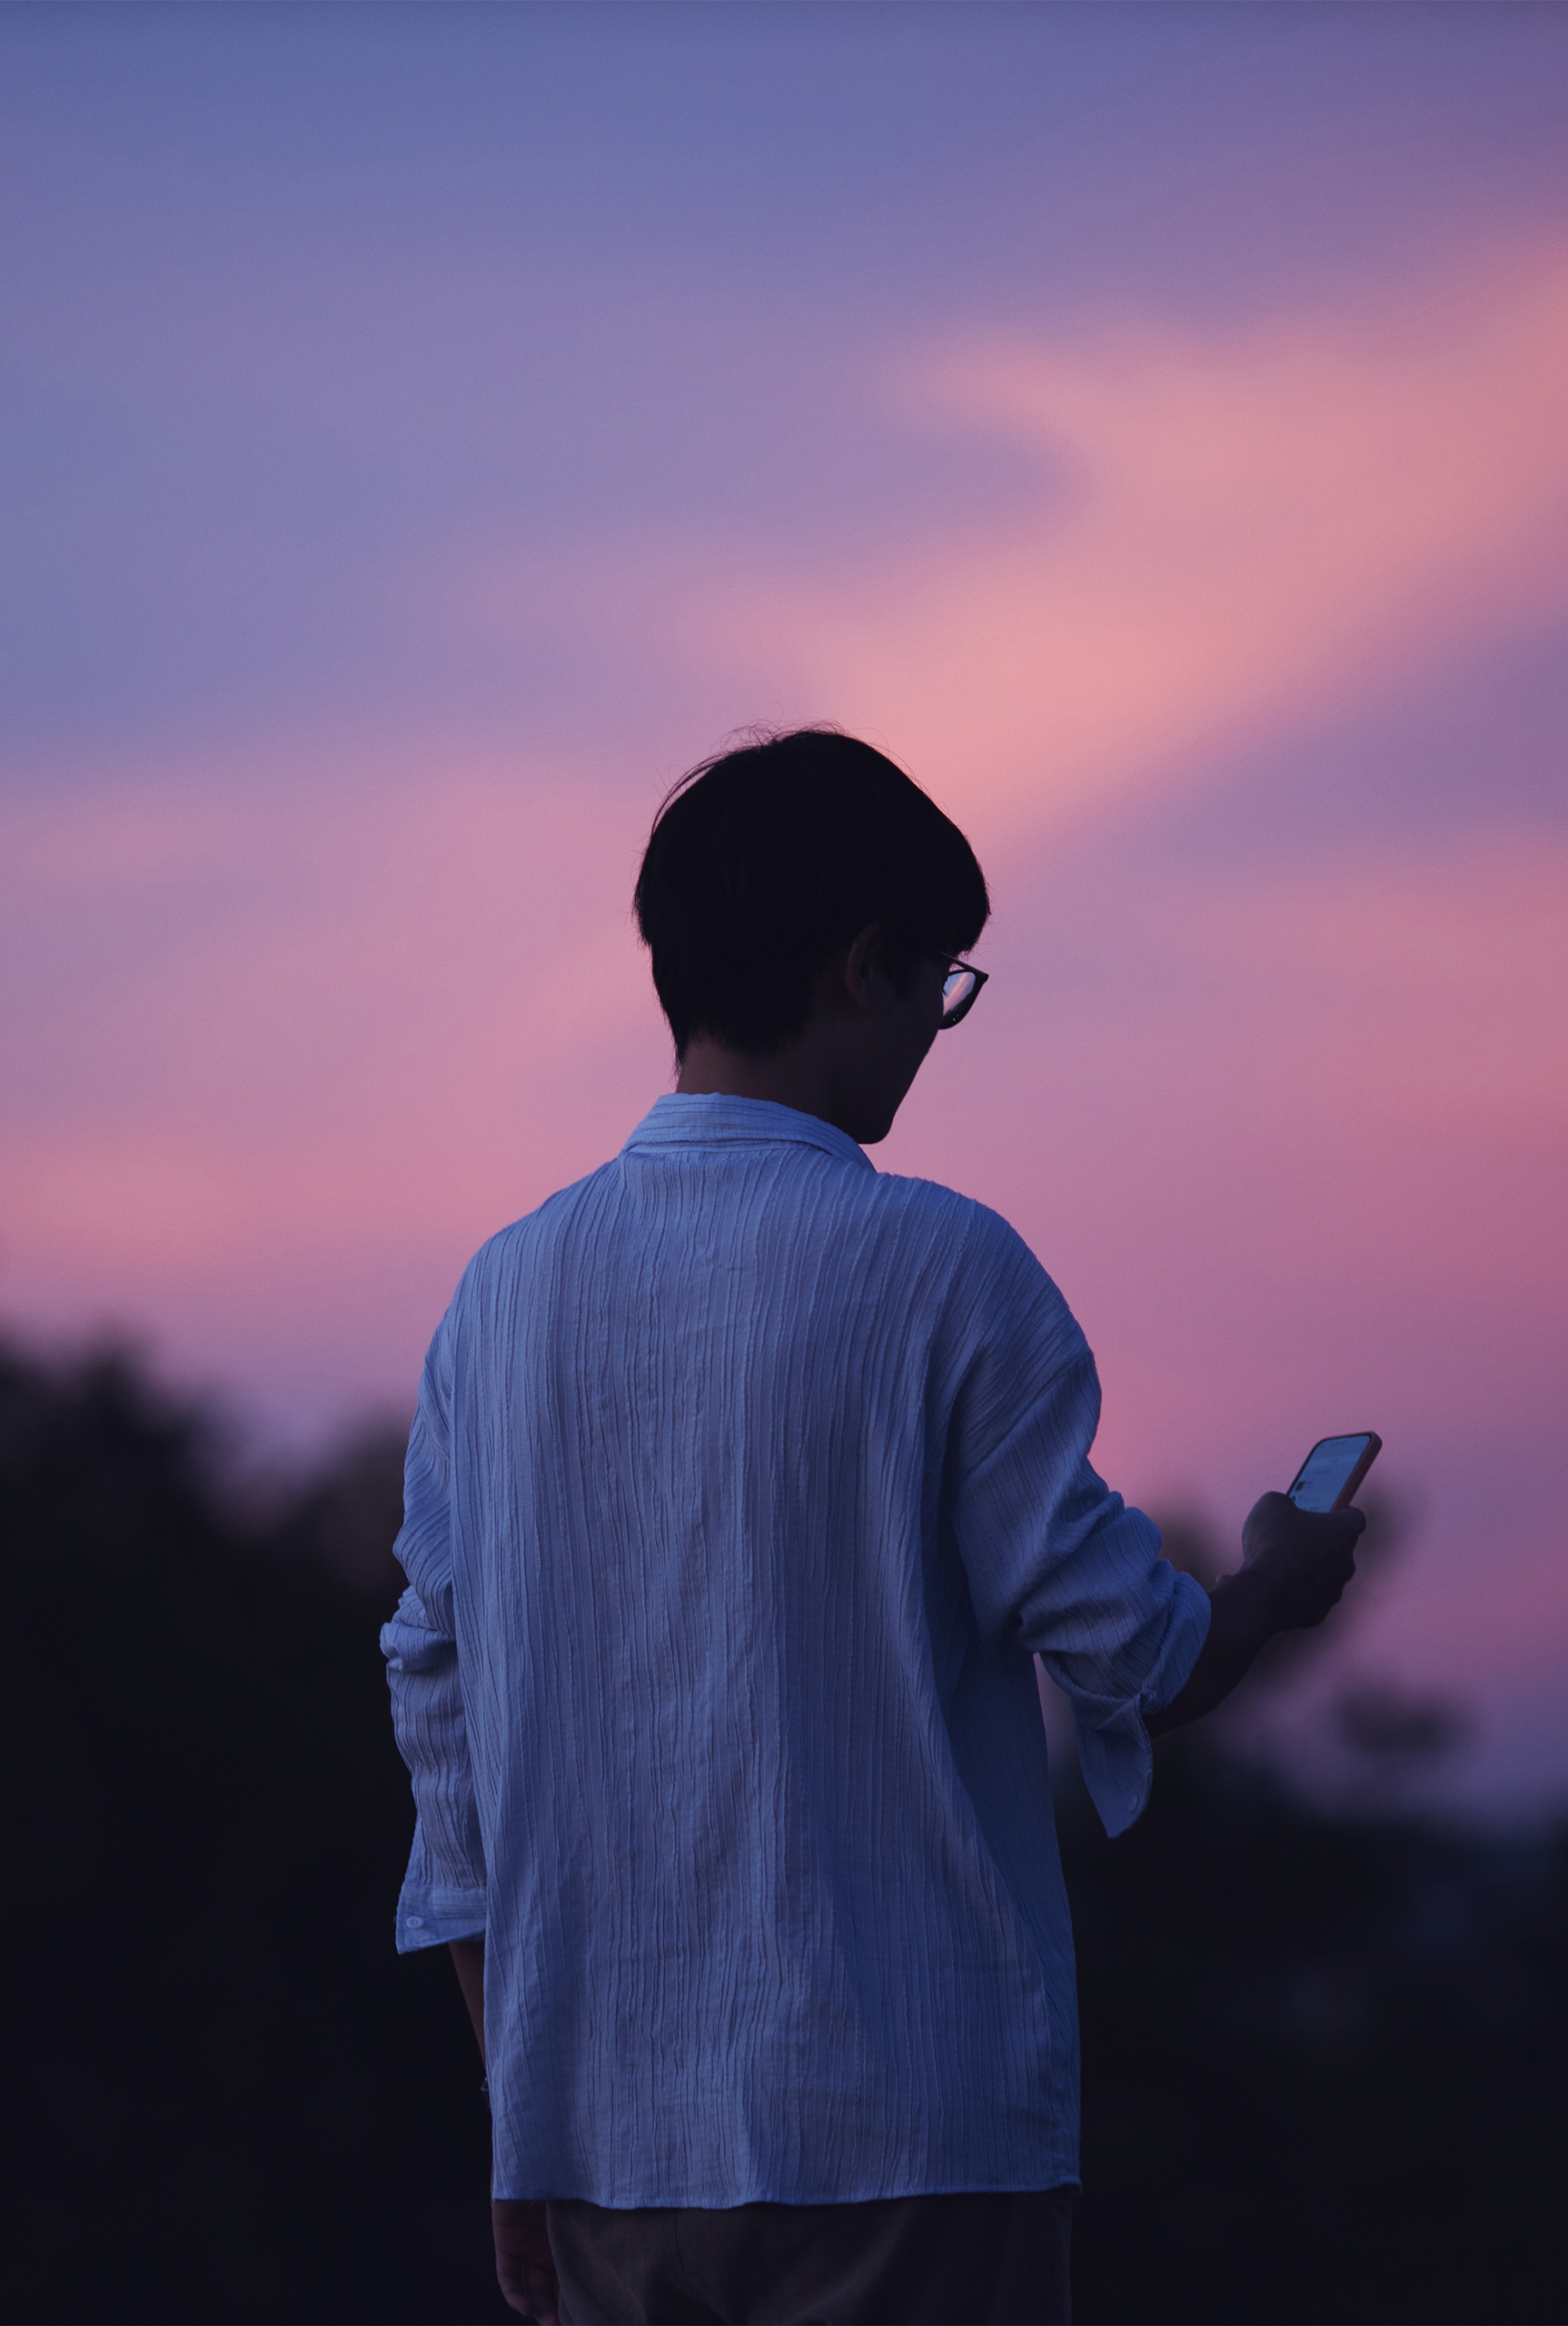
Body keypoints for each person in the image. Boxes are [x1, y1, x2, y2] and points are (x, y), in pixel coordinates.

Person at [381, 729, 1366, 2326]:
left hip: (610, 2170)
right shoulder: (945, 1271)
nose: (938, 1029)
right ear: (861, 970)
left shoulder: (499, 1300)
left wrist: (525, 2112)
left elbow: (438, 1716)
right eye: (942, 984)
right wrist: (1275, 1584)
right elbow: (1142, 1651)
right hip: (910, 2148)